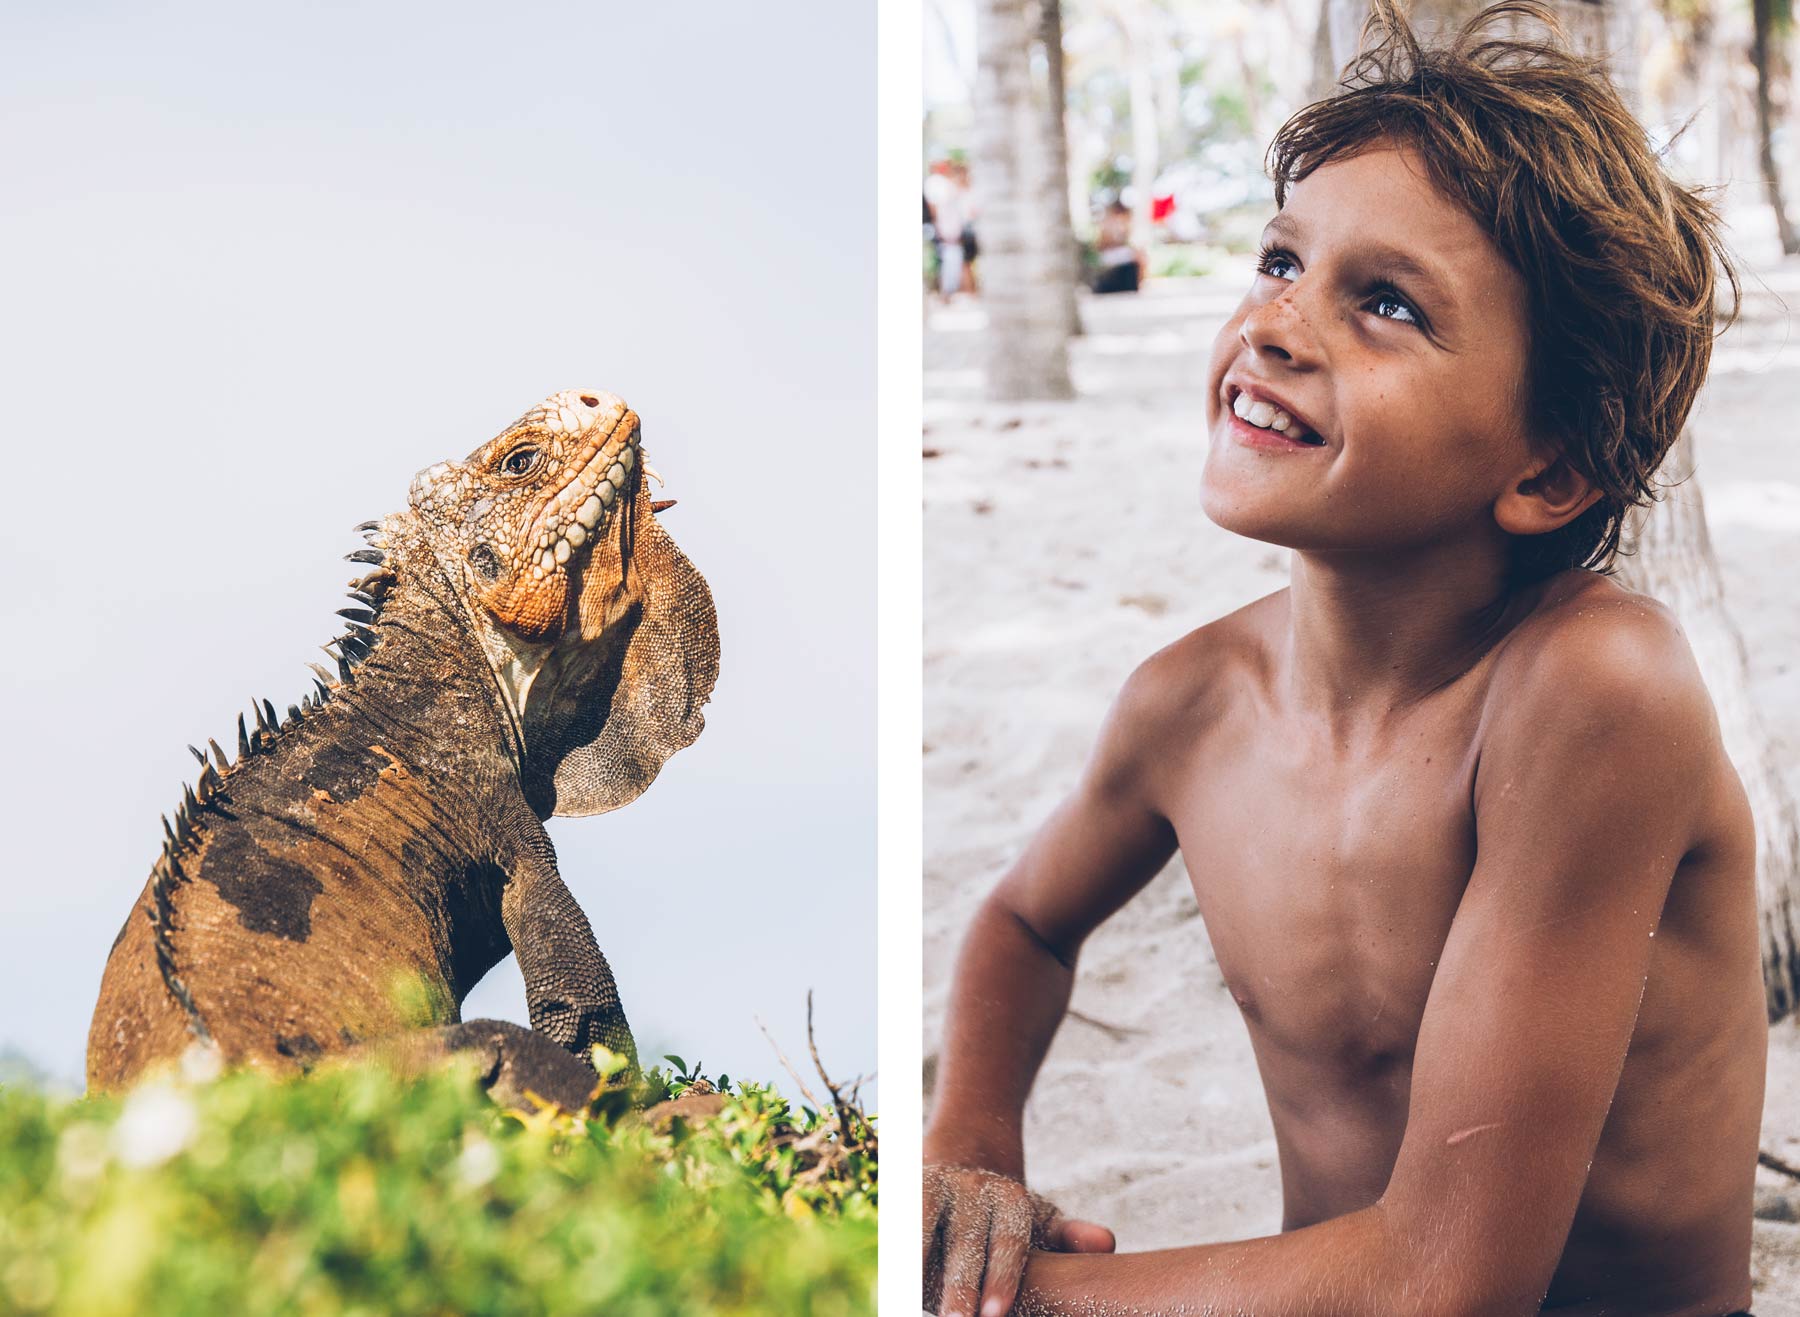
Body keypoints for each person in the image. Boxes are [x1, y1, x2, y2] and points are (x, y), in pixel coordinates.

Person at [921, 2, 1765, 1314]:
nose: (1278, 322)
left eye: (1385, 303)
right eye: (1278, 260)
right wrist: (965, 1164)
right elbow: (1021, 923)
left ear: (1546, 466)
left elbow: (1448, 1276)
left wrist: (1004, 1300)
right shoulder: (1190, 706)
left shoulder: (1594, 691)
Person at [1092, 199, 1142, 294]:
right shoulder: (1107, 224)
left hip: (1121, 258)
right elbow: (1101, 245)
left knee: (1137, 256)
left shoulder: (1125, 224)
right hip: (1109, 257)